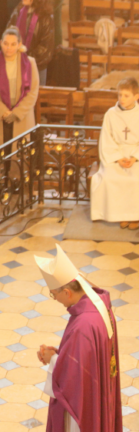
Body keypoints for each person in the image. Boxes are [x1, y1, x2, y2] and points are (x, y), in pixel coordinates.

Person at [34, 245, 122, 432]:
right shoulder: (99, 305)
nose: (55, 299)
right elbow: (88, 359)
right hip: (98, 391)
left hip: (82, 407)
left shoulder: (83, 325)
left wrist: (52, 360)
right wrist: (61, 354)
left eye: (54, 294)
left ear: (67, 292)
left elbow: (73, 378)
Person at [0, 27, 39, 156]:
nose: (9, 48)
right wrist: (2, 111)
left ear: (19, 44)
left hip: (21, 116)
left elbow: (33, 92)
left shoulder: (30, 63)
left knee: (19, 156)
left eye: (13, 44)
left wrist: (17, 112)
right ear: (1, 43)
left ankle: (17, 177)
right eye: (6, 44)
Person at [90, 78, 139, 228]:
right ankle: (121, 215)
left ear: (136, 96)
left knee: (135, 179)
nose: (122, 99)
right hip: (115, 154)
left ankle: (135, 216)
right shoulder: (111, 114)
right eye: (120, 95)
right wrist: (117, 158)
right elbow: (106, 139)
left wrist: (135, 157)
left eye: (126, 95)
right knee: (109, 177)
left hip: (135, 155)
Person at [8, 0, 55, 85]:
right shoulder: (18, 10)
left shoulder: (45, 17)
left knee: (35, 96)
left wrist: (26, 57)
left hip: (36, 66)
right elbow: (8, 33)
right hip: (16, 62)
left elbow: (45, 47)